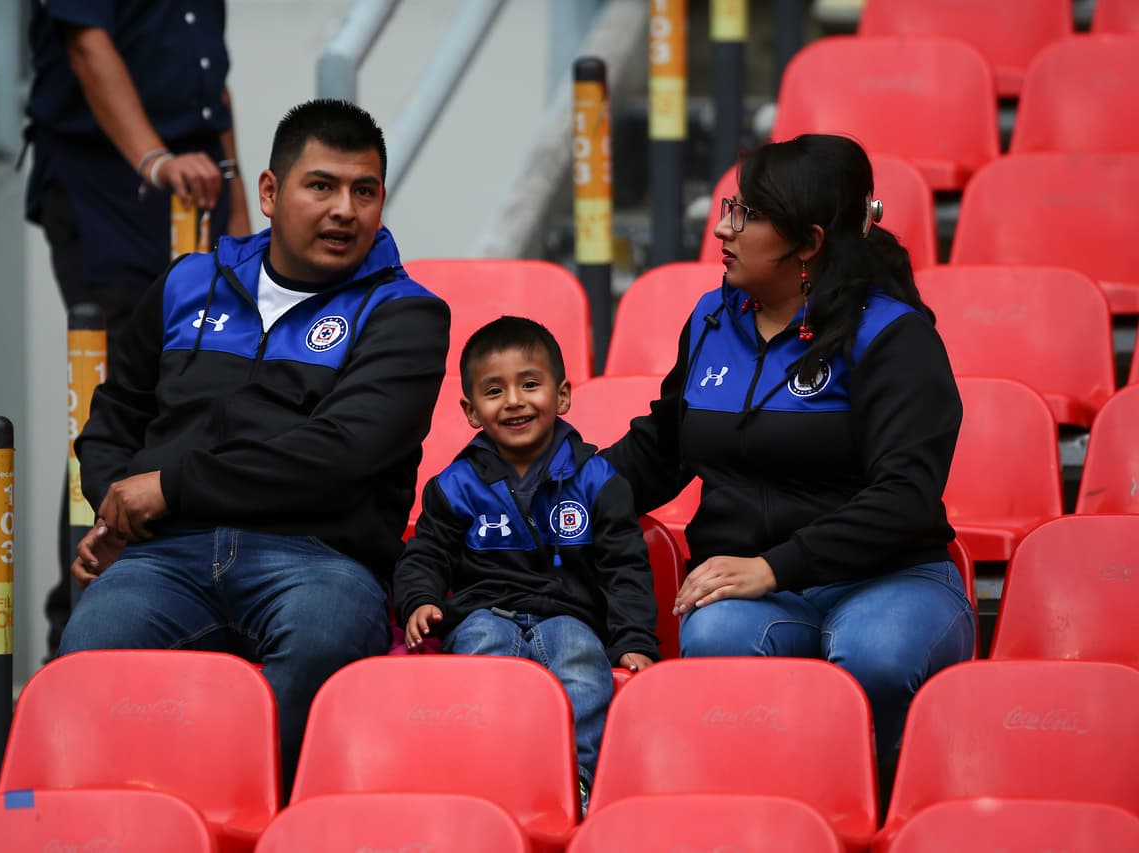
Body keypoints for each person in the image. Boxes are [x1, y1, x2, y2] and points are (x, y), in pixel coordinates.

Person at [59, 99, 451, 791]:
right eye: (321, 185)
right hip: (168, 553)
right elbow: (112, 420)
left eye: (365, 192)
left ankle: (249, 819)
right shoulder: (186, 283)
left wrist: (168, 486)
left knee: (322, 636)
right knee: (93, 645)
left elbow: (339, 454)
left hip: (320, 560)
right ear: (269, 192)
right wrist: (119, 505)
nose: (344, 209)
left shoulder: (405, 312)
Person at [603, 134, 974, 778]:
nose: (722, 227)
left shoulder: (893, 335)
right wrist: (551, 494)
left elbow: (905, 496)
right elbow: (660, 449)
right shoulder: (711, 318)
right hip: (760, 590)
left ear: (807, 243)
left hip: (888, 580)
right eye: (729, 206)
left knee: (873, 653)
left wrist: (774, 566)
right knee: (718, 638)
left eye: (745, 215)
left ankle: (874, 811)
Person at [24, 1, 252, 654]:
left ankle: (180, 610)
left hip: (197, 187)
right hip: (110, 190)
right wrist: (154, 159)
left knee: (211, 381)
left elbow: (210, 85)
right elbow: (87, 47)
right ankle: (78, 621)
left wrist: (235, 200)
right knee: (120, 393)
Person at [395, 316, 660, 813]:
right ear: (472, 411)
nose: (514, 400)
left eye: (530, 384)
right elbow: (425, 554)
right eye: (494, 391)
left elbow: (625, 568)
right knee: (483, 652)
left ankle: (574, 778)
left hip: (572, 615)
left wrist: (633, 642)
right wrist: (420, 600)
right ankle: (490, 778)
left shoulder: (598, 480)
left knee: (581, 659)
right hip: (483, 613)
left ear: (561, 396)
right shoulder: (453, 486)